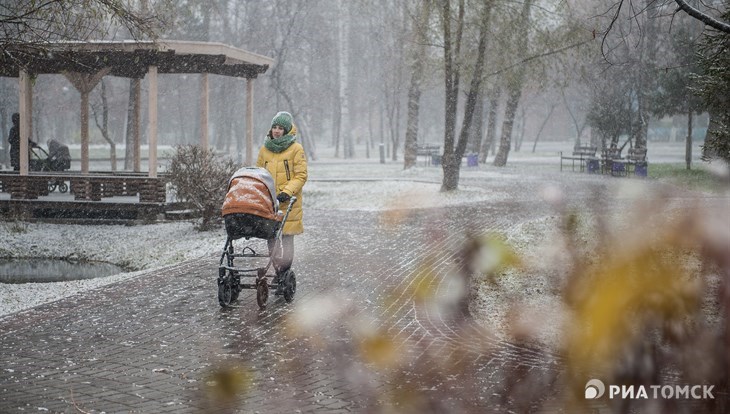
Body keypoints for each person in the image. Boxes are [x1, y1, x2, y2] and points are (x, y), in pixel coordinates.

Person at [256, 111, 308, 275]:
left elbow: (301, 175)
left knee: (286, 238)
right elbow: (259, 172)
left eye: (280, 128)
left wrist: (287, 191)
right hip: (269, 201)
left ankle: (283, 274)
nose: (276, 131)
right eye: (274, 127)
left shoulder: (295, 149)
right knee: (271, 238)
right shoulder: (265, 149)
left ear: (286, 131)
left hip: (288, 201)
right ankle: (278, 268)